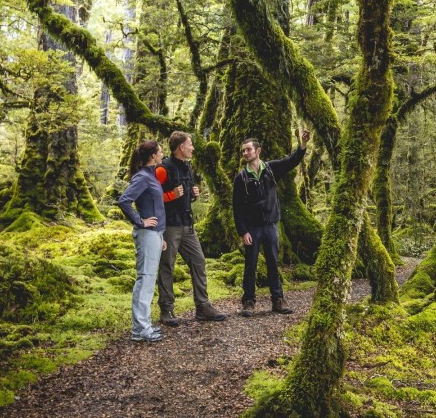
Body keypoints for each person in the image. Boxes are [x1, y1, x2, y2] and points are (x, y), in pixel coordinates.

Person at [232, 127, 310, 317]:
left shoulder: (271, 169)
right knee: (250, 265)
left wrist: (302, 145)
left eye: (248, 149)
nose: (245, 153)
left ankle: (278, 300)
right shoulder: (241, 178)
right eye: (243, 150)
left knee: (273, 264)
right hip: (252, 229)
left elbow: (291, 161)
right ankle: (248, 302)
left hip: (271, 226)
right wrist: (243, 231)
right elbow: (237, 208)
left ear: (258, 151)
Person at [155, 131, 226, 325]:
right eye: (190, 144)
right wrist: (170, 195)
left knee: (199, 261)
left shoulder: (187, 167)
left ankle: (203, 306)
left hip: (187, 225)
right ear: (181, 148)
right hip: (169, 226)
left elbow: (185, 192)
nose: (193, 147)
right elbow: (151, 197)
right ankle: (167, 310)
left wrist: (193, 194)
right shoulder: (163, 169)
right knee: (167, 266)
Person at [118, 140, 168, 343]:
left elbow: (156, 207)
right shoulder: (142, 178)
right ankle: (142, 328)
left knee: (147, 279)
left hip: (154, 235)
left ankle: (141, 328)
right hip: (147, 235)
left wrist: (161, 236)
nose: (162, 154)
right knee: (145, 280)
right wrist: (140, 221)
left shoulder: (151, 176)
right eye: (160, 151)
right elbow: (124, 200)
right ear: (152, 156)